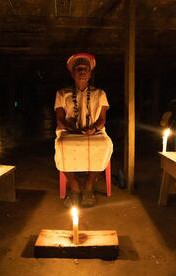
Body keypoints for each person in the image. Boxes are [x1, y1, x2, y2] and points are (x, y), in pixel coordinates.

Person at [54, 53, 113, 208]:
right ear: (72, 73)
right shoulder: (62, 93)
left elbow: (102, 120)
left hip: (94, 132)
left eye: (85, 69)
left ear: (90, 73)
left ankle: (88, 186)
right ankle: (74, 187)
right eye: (78, 69)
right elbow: (60, 120)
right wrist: (71, 129)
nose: (82, 71)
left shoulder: (100, 93)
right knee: (61, 145)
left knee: (105, 145)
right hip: (69, 132)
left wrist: (93, 129)